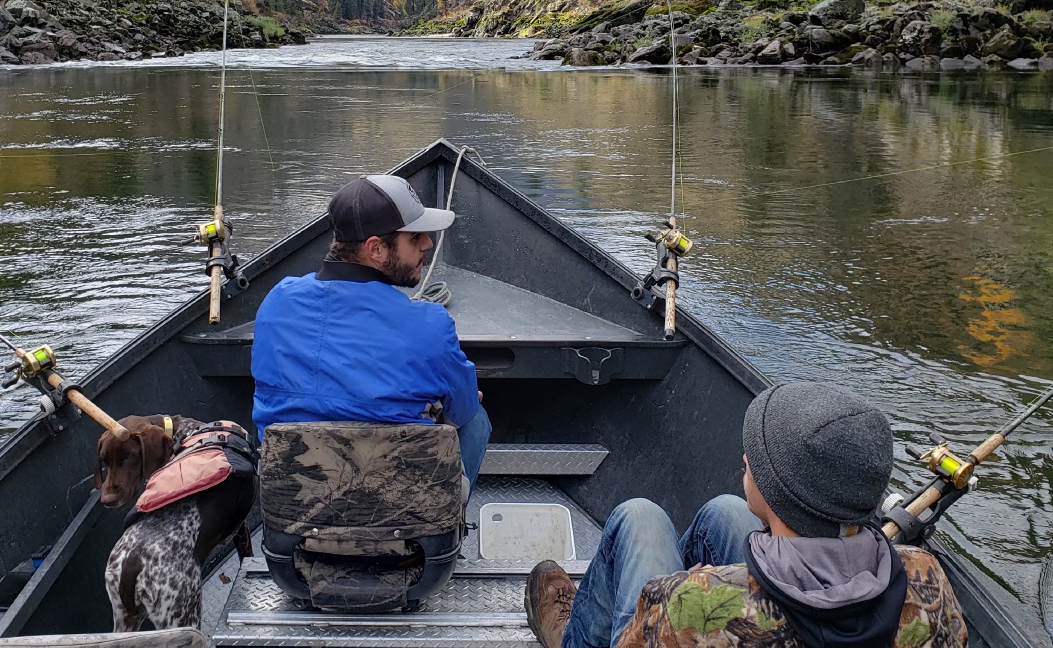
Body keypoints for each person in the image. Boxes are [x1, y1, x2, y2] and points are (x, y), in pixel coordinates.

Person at [525, 382, 967, 648]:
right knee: (726, 512)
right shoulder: (927, 577)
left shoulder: (689, 604)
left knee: (639, 517)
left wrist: (676, 590)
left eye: (754, 457)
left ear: (778, 494)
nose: (744, 459)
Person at [250, 174, 490, 483]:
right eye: (415, 237)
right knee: (476, 419)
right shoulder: (431, 325)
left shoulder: (276, 301)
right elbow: (462, 409)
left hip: (294, 502)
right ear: (375, 249)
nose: (428, 243)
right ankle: (451, 520)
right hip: (402, 511)